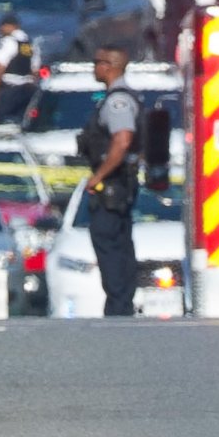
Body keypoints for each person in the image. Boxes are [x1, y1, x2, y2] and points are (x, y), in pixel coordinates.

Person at [78, 45, 142, 318]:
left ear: (110, 66)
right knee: (117, 243)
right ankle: (119, 305)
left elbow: (122, 139)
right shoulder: (115, 98)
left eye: (97, 62)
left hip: (112, 188)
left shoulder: (118, 101)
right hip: (117, 187)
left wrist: (99, 176)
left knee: (110, 243)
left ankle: (119, 307)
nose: (94, 68)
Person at [0, 10, 35, 122]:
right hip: (28, 91)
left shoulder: (8, 42)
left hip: (9, 91)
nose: (0, 29)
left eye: (2, 26)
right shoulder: (29, 42)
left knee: (3, 122)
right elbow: (35, 70)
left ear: (10, 26)